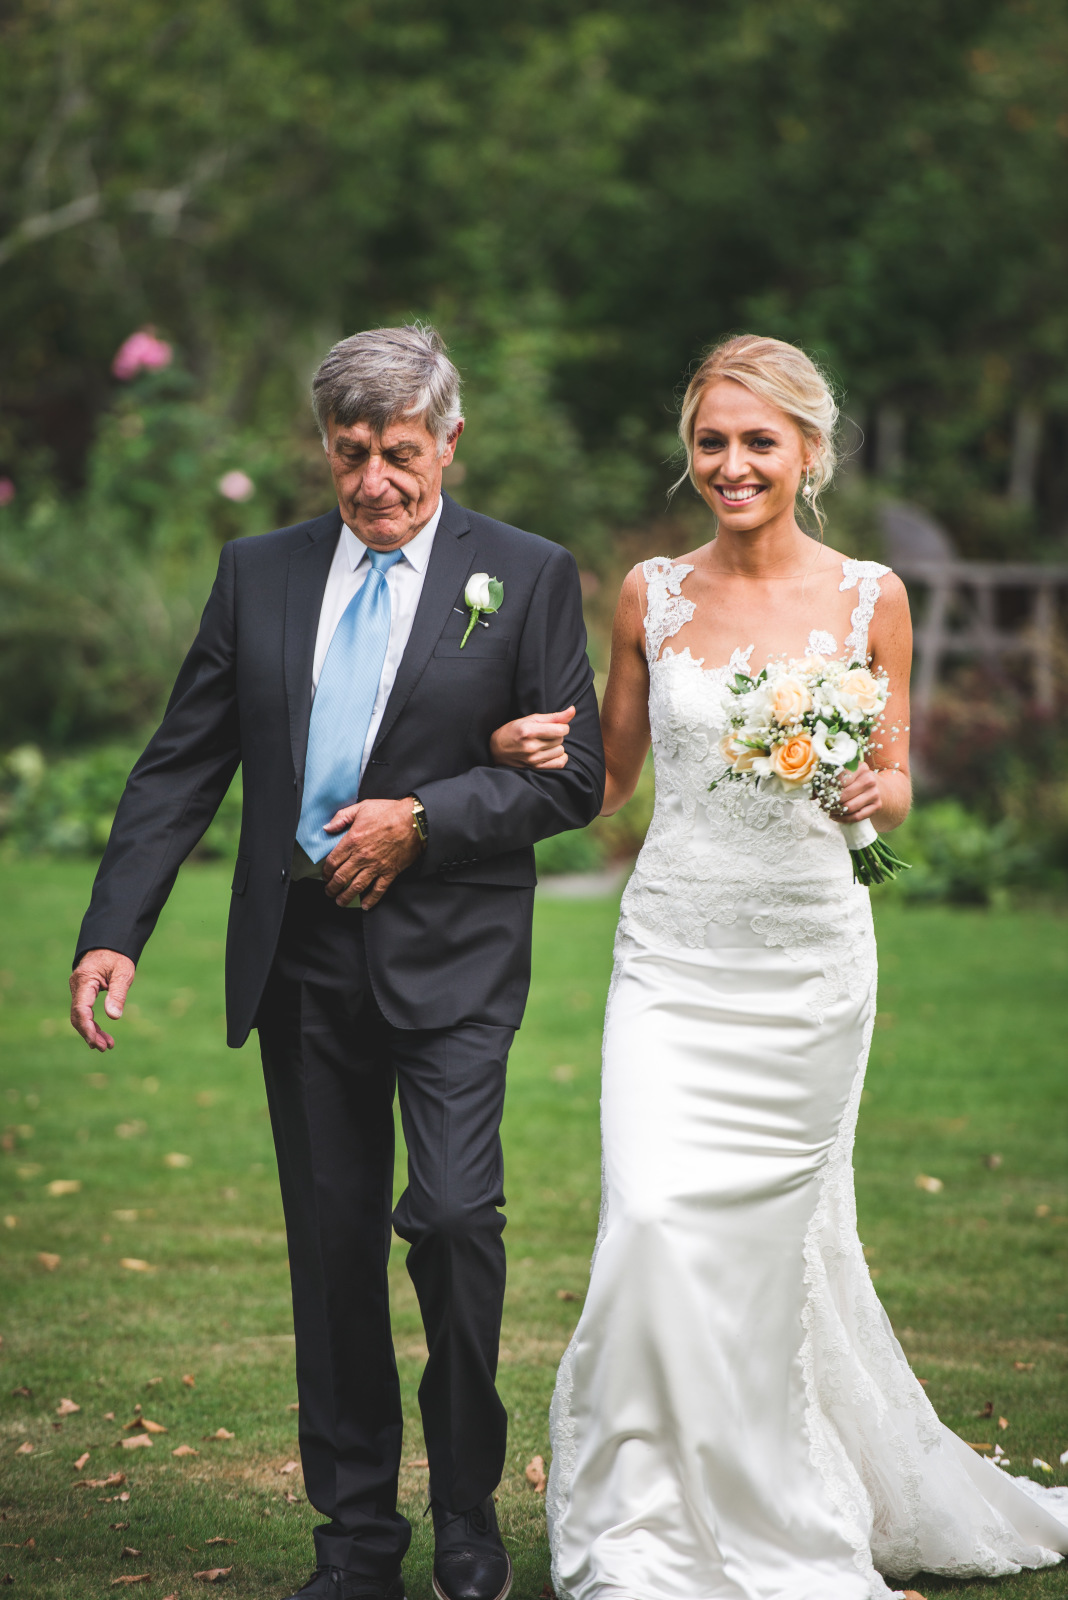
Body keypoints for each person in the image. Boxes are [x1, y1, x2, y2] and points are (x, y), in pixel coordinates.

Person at [491, 335, 1068, 1598]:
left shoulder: (871, 598)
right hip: (672, 956)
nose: (733, 463)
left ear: (811, 451)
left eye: (759, 441)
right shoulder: (650, 594)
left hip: (809, 970)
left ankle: (773, 1499)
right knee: (651, 1219)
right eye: (712, 441)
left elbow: (897, 778)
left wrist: (874, 789)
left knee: (768, 1255)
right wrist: (523, 747)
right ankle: (640, 1515)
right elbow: (612, 780)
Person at [69, 323, 605, 1600]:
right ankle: (357, 1540)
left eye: (401, 453)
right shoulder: (257, 573)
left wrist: (423, 818)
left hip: (454, 956)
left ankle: (468, 1514)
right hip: (301, 956)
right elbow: (180, 764)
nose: (375, 480)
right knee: (333, 1249)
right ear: (325, 444)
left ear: (449, 443)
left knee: (456, 1220)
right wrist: (113, 927)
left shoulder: (524, 575)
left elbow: (573, 779)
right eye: (351, 451)